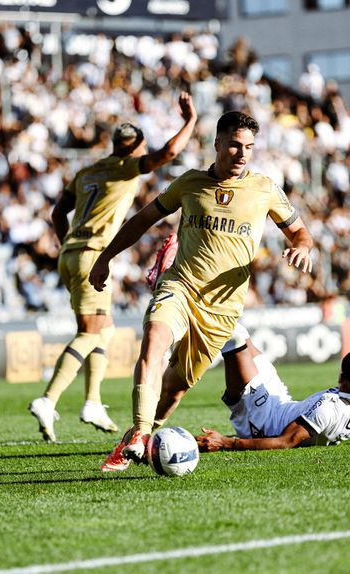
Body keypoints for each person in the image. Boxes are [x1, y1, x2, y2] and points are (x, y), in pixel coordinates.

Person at [90, 110, 314, 471]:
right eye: (235, 146)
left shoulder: (264, 188)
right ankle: (140, 434)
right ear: (218, 144)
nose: (242, 154)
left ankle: (138, 432)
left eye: (249, 148)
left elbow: (301, 232)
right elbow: (145, 218)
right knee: (154, 343)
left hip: (222, 312)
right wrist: (106, 257)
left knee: (174, 389)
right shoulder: (190, 183)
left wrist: (302, 247)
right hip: (180, 287)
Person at [28, 92, 198, 442]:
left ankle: (92, 401)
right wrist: (190, 121)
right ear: (134, 149)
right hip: (92, 252)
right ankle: (48, 399)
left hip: (71, 252)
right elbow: (168, 153)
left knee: (103, 328)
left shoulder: (87, 170)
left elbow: (57, 212)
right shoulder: (126, 168)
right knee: (91, 332)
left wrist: (68, 244)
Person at [195, 261, 350, 452]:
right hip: (281, 401)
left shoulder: (328, 408)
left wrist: (226, 443)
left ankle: (183, 296)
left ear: (342, 379)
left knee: (233, 335)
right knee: (241, 333)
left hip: (263, 421)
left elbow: (285, 442)